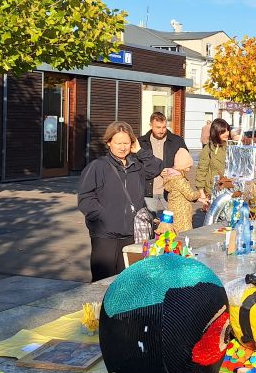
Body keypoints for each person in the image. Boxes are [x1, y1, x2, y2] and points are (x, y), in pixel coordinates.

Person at [78, 121, 164, 282]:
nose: (122, 147)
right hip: (105, 237)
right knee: (103, 283)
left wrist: (139, 151)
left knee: (128, 283)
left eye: (126, 143)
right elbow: (85, 198)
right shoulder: (98, 166)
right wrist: (103, 217)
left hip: (132, 235)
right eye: (118, 143)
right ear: (109, 142)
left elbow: (156, 167)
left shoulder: (137, 165)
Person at [139, 112, 189, 215]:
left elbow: (186, 162)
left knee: (174, 221)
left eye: (164, 127)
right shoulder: (141, 142)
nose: (161, 131)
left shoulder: (177, 141)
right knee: (149, 222)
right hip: (148, 190)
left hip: (171, 190)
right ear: (150, 125)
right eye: (158, 127)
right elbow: (137, 165)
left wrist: (174, 171)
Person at [162, 148, 209, 233]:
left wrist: (199, 199)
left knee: (175, 232)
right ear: (182, 167)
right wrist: (200, 193)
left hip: (176, 210)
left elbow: (182, 195)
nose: (189, 170)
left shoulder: (173, 177)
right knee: (184, 234)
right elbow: (190, 195)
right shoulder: (179, 180)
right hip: (181, 213)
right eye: (188, 167)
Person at [194, 118, 231, 198]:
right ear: (216, 132)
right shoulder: (209, 149)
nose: (227, 133)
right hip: (212, 190)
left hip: (228, 189)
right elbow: (202, 169)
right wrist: (201, 191)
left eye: (227, 130)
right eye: (223, 131)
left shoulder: (230, 147)